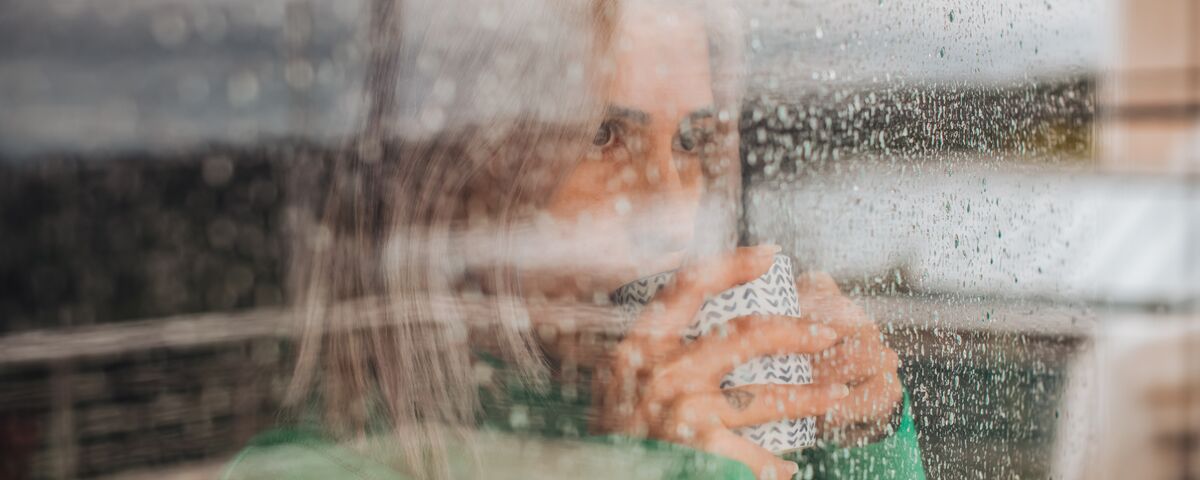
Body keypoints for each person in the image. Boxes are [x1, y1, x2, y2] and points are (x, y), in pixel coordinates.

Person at [224, 0, 925, 479]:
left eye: (691, 142)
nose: (674, 214)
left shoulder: (690, 423)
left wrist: (854, 443)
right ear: (453, 177)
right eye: (601, 135)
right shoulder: (302, 469)